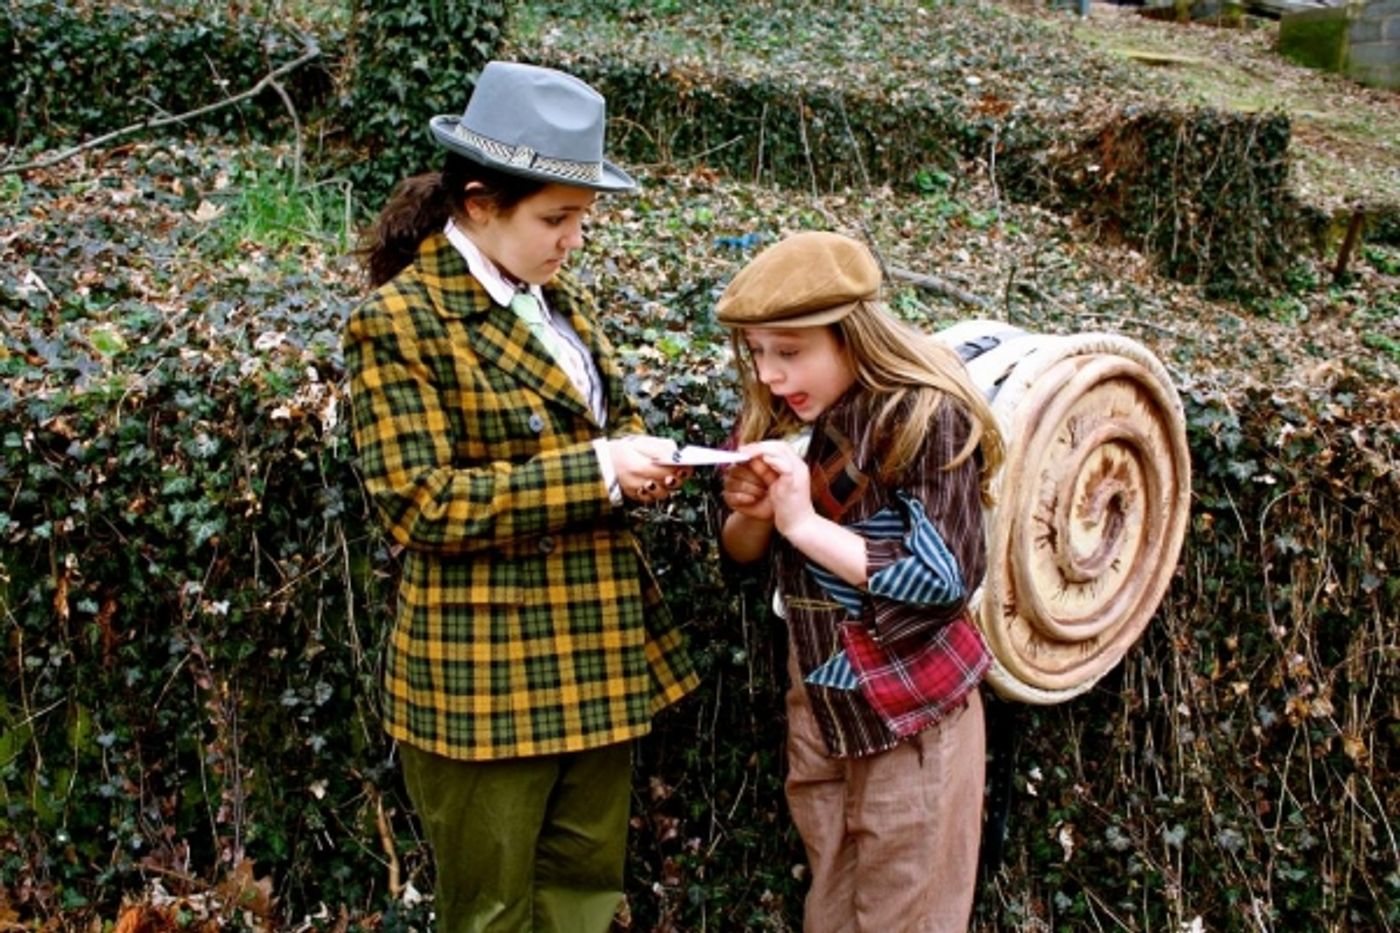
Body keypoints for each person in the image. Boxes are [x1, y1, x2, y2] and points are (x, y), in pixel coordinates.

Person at [343, 60, 699, 933]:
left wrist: (642, 456)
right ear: (477, 203)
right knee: (491, 911)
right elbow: (419, 502)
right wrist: (598, 471)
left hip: (596, 644)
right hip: (485, 672)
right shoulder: (398, 322)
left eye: (582, 219)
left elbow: (604, 418)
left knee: (584, 894)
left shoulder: (556, 299)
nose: (573, 239)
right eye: (556, 218)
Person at [716, 231, 1005, 932]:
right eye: (757, 351)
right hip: (819, 697)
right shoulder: (781, 416)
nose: (771, 373)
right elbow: (739, 554)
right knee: (831, 903)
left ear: (852, 335)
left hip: (911, 707)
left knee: (908, 909)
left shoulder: (922, 416)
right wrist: (755, 512)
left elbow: (943, 576)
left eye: (790, 351)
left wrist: (803, 523)